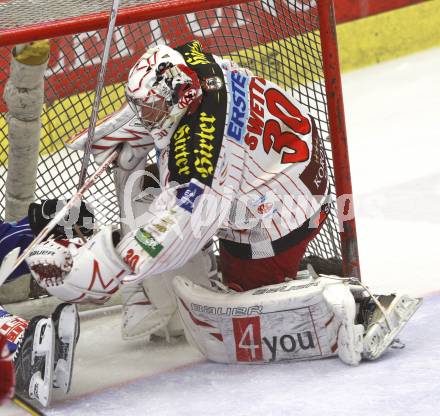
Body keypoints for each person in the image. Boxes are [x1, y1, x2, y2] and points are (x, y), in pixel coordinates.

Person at [23, 41, 421, 365]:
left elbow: (175, 230)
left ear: (181, 97)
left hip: (283, 215)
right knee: (145, 177)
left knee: (236, 303)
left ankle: (352, 306)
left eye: (151, 109)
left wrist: (107, 266)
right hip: (289, 167)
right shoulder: (192, 60)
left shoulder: (199, 155)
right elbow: (172, 93)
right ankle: (183, 281)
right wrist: (135, 124)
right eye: (141, 107)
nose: (146, 117)